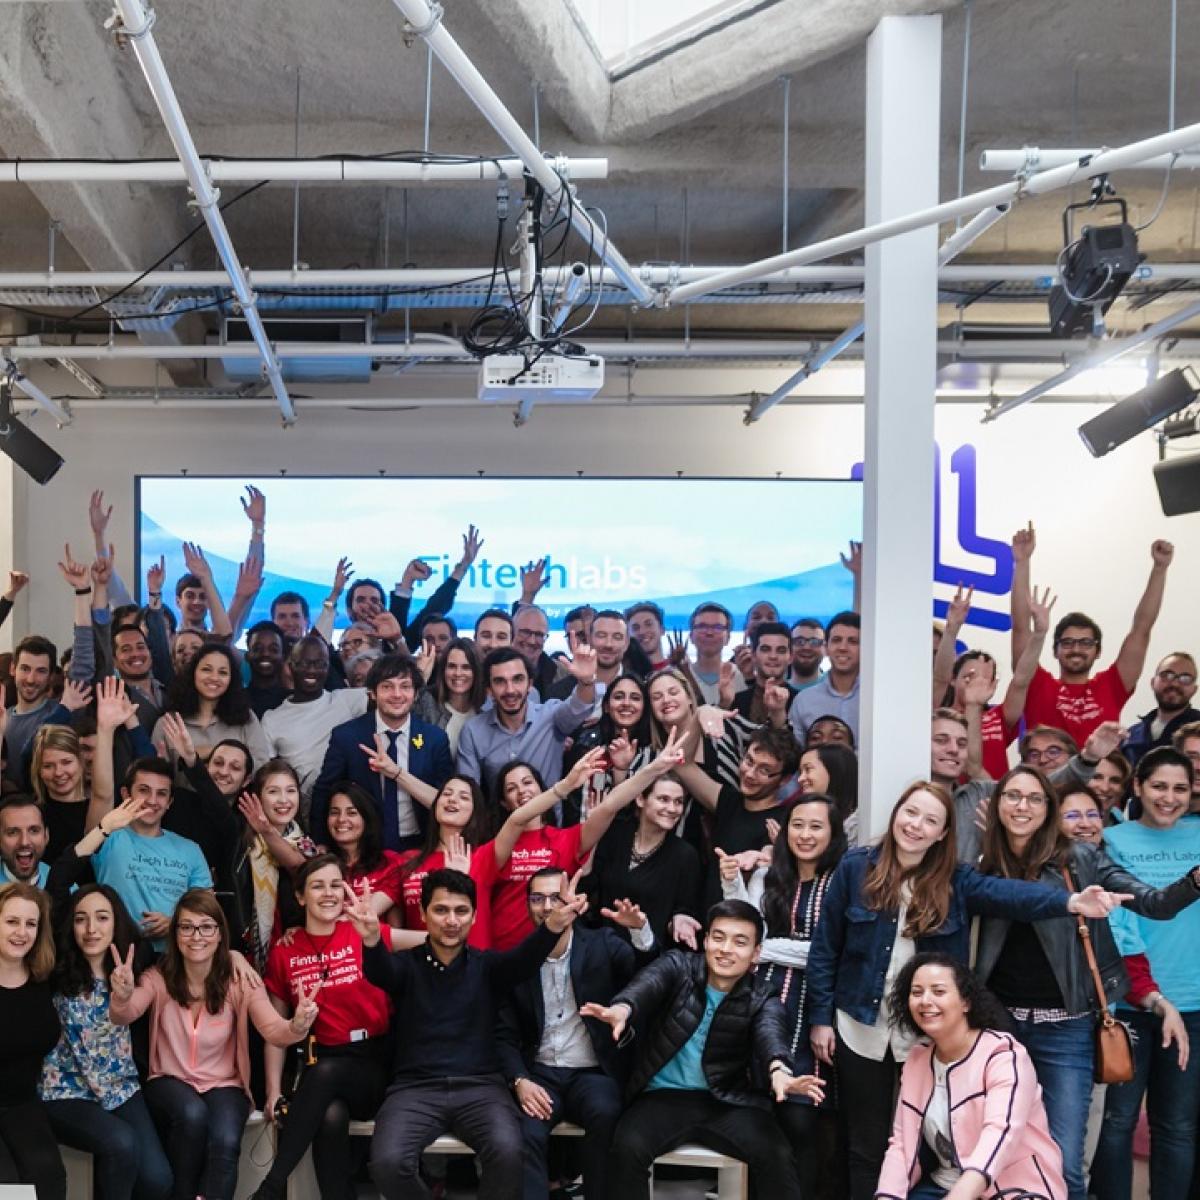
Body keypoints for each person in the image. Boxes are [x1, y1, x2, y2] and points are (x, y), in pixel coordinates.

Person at [805, 781, 1130, 1200]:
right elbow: (825, 948)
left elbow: (1011, 895)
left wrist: (1069, 903)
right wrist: (820, 1018)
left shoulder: (957, 879)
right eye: (910, 813)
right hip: (860, 1027)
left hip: (926, 1034)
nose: (916, 826)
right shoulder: (855, 868)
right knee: (866, 1146)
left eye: (930, 820)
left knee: (926, 1147)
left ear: (943, 833)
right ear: (896, 813)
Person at [973, 762, 1200, 1200]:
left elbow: (1154, 903)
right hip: (999, 1027)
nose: (1023, 806)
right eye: (1013, 796)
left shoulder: (1079, 858)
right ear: (998, 804)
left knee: (1064, 1163)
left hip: (1066, 1029)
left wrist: (1193, 881)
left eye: (1035, 798)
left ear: (1048, 810)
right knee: (998, 1157)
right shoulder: (983, 864)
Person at [348, 866, 587, 1200]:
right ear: (423, 913)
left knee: (509, 1153)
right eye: (441, 910)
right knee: (388, 1164)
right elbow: (381, 972)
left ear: (474, 916)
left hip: (482, 1089)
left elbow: (524, 959)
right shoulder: (407, 965)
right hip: (415, 1090)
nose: (451, 920)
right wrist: (372, 941)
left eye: (461, 911)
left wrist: (553, 926)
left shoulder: (488, 966)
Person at [583, 899, 822, 1200]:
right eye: (718, 938)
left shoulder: (763, 995)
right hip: (661, 1097)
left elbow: (770, 1033)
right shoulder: (679, 966)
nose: (726, 949)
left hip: (727, 1100)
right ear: (706, 940)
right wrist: (623, 1008)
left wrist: (779, 1070)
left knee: (777, 1155)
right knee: (626, 1150)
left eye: (740, 942)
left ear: (756, 953)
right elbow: (648, 984)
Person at [108, 889, 318, 1200]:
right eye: (187, 927)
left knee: (225, 1142)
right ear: (175, 934)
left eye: (206, 927)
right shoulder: (158, 977)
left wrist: (297, 1026)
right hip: (168, 1080)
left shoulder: (239, 981)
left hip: (224, 1084)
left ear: (220, 934)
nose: (197, 936)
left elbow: (274, 1030)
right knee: (192, 1114)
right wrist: (122, 996)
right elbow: (124, 1015)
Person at [720, 793, 848, 1199]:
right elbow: (745, 935)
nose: (805, 834)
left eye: (816, 826)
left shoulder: (842, 880)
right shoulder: (768, 875)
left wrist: (769, 949)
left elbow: (830, 951)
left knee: (804, 1121)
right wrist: (731, 882)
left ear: (833, 833)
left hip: (816, 1009)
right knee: (762, 1120)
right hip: (764, 1003)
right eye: (797, 825)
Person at [497, 866, 652, 1200]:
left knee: (606, 1114)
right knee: (523, 1132)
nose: (547, 907)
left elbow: (646, 976)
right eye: (537, 899)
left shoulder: (601, 943)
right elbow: (503, 1034)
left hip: (592, 1072)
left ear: (575, 902)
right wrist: (519, 1080)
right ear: (527, 905)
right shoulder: (518, 959)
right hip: (539, 1075)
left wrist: (639, 932)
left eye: (557, 897)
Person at [1093, 747, 1200, 1200]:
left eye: (1180, 788)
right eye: (1158, 786)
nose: (1169, 797)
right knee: (1116, 1122)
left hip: (1193, 1002)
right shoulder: (1112, 840)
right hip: (1128, 1003)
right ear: (1137, 786)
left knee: (1177, 1126)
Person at [876, 952, 1068, 1200]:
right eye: (916, 992)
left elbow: (1000, 1133)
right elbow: (902, 1146)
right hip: (943, 1185)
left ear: (966, 1002)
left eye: (938, 991)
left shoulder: (1004, 1056)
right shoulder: (917, 1061)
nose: (925, 1001)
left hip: (1014, 1189)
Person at [255, 855, 393, 1200]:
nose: (329, 893)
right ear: (300, 897)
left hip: (373, 1063)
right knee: (330, 1116)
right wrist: (273, 1091)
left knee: (327, 1074)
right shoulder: (284, 952)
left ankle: (270, 1188)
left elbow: (427, 939)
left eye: (335, 885)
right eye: (318, 886)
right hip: (321, 1061)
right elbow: (276, 1032)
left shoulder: (364, 931)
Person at [480, 741, 686, 950]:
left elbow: (610, 805)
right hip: (506, 950)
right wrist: (566, 785)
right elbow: (516, 821)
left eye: (527, 782)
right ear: (504, 802)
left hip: (554, 950)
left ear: (541, 788)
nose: (522, 791)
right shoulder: (499, 845)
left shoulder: (566, 839)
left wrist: (653, 769)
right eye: (511, 788)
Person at [40, 884, 172, 1200]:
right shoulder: (54, 970)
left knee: (158, 1181)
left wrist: (235, 956)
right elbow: (56, 884)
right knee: (121, 1144)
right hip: (65, 1090)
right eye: (81, 919)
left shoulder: (135, 964)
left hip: (119, 1088)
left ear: (116, 923)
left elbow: (195, 949)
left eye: (102, 917)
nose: (91, 929)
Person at [1011, 526, 1174, 745]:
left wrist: (1160, 569)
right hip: (1046, 768)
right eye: (1067, 642)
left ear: (1098, 651)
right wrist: (1022, 562)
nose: (1076, 649)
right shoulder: (1038, 685)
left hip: (1102, 769)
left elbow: (1142, 629)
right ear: (1055, 650)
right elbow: (1021, 628)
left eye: (1086, 643)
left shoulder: (1111, 686)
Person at [53, 758, 212, 950]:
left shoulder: (190, 849)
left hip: (174, 957)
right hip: (116, 951)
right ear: (126, 794)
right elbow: (101, 794)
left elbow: (207, 909)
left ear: (169, 802)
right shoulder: (107, 836)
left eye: (162, 794)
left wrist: (175, 922)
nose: (152, 801)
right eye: (144, 790)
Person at [311, 655, 453, 851]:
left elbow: (446, 798)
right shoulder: (347, 736)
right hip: (363, 847)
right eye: (387, 687)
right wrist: (320, 842)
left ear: (415, 694)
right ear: (372, 693)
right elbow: (324, 791)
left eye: (405, 686)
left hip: (420, 846)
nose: (397, 694)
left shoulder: (434, 739)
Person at [673, 724, 800, 906]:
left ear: (785, 780)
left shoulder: (783, 821)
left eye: (764, 770)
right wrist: (699, 718)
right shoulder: (728, 800)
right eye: (749, 761)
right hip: (709, 914)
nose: (750, 774)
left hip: (746, 917)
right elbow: (681, 764)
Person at [0, 880, 67, 1198]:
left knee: (50, 1178)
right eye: (12, 921)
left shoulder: (43, 975)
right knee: (9, 1189)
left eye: (31, 924)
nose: (21, 932)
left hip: (22, 1103)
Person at [586, 768, 703, 949]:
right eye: (663, 799)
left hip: (649, 956)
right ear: (641, 799)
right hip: (602, 950)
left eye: (678, 802)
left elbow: (684, 909)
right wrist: (592, 829)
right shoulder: (615, 835)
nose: (672, 809)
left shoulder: (685, 855)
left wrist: (680, 920)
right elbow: (589, 885)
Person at [457, 646, 597, 796]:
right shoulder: (473, 731)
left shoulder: (551, 716)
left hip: (548, 810)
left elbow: (578, 706)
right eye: (500, 681)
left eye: (518, 679)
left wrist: (586, 682)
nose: (510, 690)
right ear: (489, 690)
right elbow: (468, 791)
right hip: (499, 811)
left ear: (530, 684)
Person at [262, 636, 370, 803]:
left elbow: (395, 693)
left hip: (344, 803)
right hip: (298, 806)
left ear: (328, 668)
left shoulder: (346, 700)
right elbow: (267, 773)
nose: (312, 670)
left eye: (320, 664)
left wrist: (398, 642)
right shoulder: (272, 718)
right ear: (291, 667)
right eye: (305, 663)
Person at [394, 775, 495, 945]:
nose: (452, 799)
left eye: (463, 797)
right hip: (422, 958)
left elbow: (517, 821)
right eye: (446, 794)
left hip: (474, 958)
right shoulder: (408, 860)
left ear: (475, 811)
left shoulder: (485, 854)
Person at [152, 643, 271, 771]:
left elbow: (262, 767)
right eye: (206, 670)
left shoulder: (246, 717)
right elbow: (154, 772)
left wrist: (215, 751)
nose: (214, 678)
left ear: (231, 679)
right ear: (193, 673)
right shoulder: (168, 723)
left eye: (223, 672)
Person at [788, 612, 860, 744]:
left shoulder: (877, 697)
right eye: (836, 640)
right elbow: (796, 752)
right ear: (826, 648)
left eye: (852, 641)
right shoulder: (804, 700)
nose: (843, 648)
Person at [1122, 653, 1200, 767]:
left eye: (1185, 678)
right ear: (1153, 682)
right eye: (1167, 675)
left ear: (1194, 689)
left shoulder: (1197, 729)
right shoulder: (1130, 735)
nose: (1175, 683)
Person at [414, 636, 485, 757]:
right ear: (443, 670)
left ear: (477, 671)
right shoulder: (427, 702)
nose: (458, 673)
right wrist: (420, 678)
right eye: (452, 666)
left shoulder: (486, 710)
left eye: (466, 667)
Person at [548, 610, 629, 702]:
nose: (608, 644)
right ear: (589, 639)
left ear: (627, 643)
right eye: (601, 636)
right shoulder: (557, 693)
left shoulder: (640, 685)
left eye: (617, 637)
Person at [733, 622, 799, 724]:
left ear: (790, 657)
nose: (773, 656)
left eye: (781, 650)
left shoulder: (801, 700)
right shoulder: (736, 701)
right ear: (753, 655)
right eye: (765, 649)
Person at [796, 742, 859, 841]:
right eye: (800, 772)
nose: (800, 779)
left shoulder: (859, 825)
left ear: (834, 770)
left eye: (808, 769)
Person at [686, 603, 734, 704]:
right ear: (691, 636)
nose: (709, 633)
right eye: (702, 627)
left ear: (728, 637)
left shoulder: (739, 676)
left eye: (718, 627)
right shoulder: (680, 677)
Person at [513, 606, 563, 701]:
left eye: (539, 635)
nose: (532, 641)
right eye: (526, 632)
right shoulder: (493, 669)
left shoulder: (562, 673)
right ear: (512, 632)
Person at [0, 793, 49, 886]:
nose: (24, 842)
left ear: (46, 836)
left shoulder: (66, 887)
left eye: (34, 831)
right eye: (12, 832)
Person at [244, 621, 291, 718]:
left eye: (273, 650)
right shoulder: (235, 700)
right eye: (258, 649)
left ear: (283, 657)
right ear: (247, 656)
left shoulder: (293, 701)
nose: (265, 654)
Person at [624, 602, 668, 676]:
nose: (642, 632)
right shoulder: (624, 675)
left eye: (649, 624)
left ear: (662, 629)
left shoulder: (679, 670)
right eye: (635, 628)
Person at [1090, 751, 1133, 820]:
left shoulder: (1125, 823)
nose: (1105, 788)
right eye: (1097, 777)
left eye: (1115, 780)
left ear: (1123, 789)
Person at [788, 619, 827, 691]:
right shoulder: (774, 691)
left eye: (815, 642)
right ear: (789, 647)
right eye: (799, 641)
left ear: (825, 649)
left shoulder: (838, 689)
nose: (806, 647)